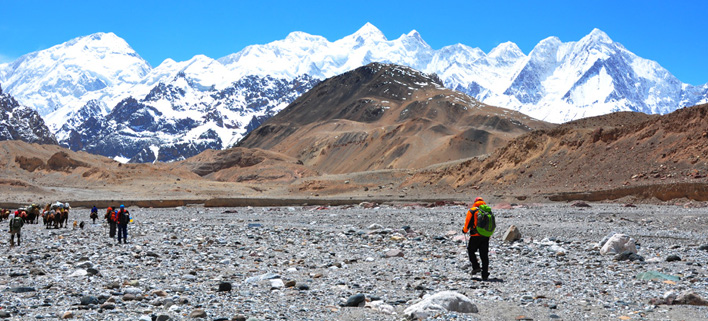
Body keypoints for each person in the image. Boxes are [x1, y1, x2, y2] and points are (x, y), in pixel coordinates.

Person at [462, 197, 491, 281]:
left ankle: (476, 266)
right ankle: (485, 274)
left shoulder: (472, 211)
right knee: (484, 255)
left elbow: (467, 223)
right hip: (485, 236)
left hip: (475, 236)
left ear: (475, 202)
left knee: (471, 250)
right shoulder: (487, 210)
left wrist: (464, 230)